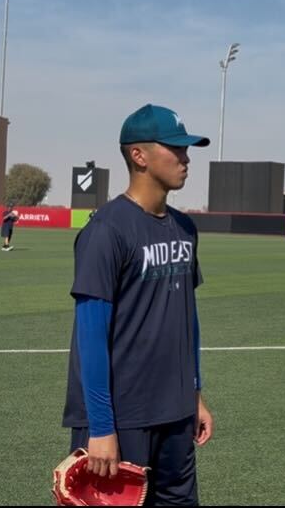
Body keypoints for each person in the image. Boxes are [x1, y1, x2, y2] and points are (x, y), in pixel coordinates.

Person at [62, 103, 215, 506]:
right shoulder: (105, 231)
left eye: (187, 150)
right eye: (176, 149)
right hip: (122, 419)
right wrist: (100, 428)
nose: (186, 158)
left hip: (176, 414)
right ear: (139, 156)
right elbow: (90, 336)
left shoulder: (185, 227)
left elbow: (188, 320)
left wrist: (194, 393)